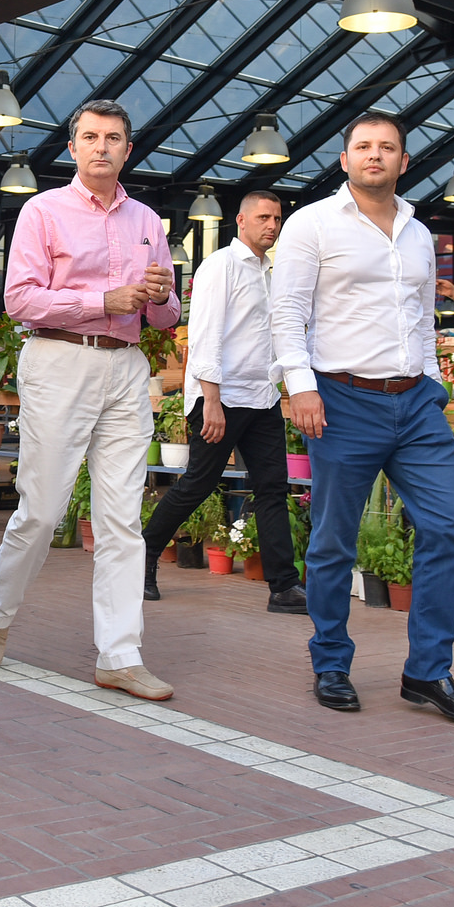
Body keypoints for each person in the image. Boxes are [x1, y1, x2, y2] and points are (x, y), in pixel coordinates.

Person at [270, 113, 454, 725]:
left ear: (403, 161)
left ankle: (428, 671)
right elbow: (286, 313)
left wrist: (435, 384)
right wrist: (301, 387)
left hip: (416, 402)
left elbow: (422, 317)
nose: (375, 155)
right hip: (341, 399)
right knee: (333, 539)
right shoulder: (312, 223)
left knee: (448, 525)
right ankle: (331, 662)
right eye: (363, 147)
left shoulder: (418, 233)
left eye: (387, 147)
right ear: (344, 160)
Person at [0, 99, 179, 702]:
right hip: (59, 360)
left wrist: (160, 298)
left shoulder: (148, 220)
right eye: (90, 137)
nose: (101, 147)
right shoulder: (43, 211)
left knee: (121, 519)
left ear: (128, 150)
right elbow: (20, 301)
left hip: (127, 367)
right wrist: (102, 301)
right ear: (72, 148)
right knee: (42, 511)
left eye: (112, 138)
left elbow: (167, 314)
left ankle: (120, 655)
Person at [142, 190, 303, 614]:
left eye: (277, 218)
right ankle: (142, 556)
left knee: (272, 490)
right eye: (264, 217)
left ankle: (283, 587)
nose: (272, 225)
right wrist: (210, 400)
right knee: (197, 484)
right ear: (241, 221)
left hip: (262, 397)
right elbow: (205, 334)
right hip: (222, 398)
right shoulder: (220, 266)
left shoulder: (272, 272)